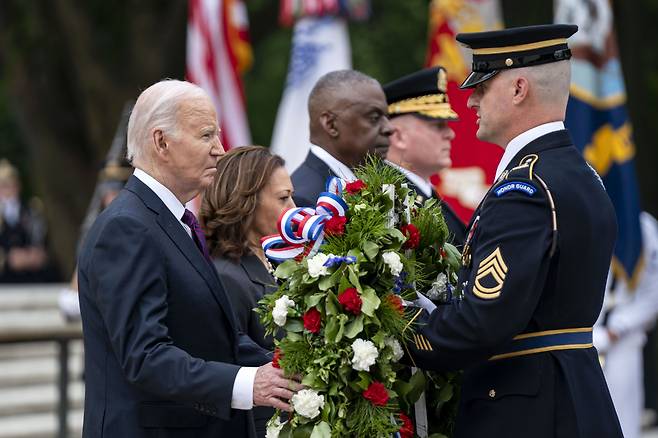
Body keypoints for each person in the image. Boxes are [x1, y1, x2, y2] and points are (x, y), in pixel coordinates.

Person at [405, 24, 623, 437]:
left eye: (482, 88)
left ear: (519, 88)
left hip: (525, 410)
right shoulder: (579, 175)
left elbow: (480, 324)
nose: (470, 101)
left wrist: (396, 325)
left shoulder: (525, 189)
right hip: (572, 392)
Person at [77, 80, 301, 438]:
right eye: (206, 135)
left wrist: (294, 367)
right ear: (161, 142)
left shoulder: (168, 219)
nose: (220, 149)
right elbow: (145, 356)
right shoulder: (127, 226)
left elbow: (212, 337)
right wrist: (248, 383)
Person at [200, 145, 295, 438]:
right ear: (247, 202)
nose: (293, 207)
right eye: (282, 198)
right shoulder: (226, 276)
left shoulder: (277, 262)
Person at [383, 66, 467, 246]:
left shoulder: (421, 195)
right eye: (438, 126)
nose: (450, 134)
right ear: (398, 136)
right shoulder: (388, 204)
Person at [594, 211, 658, 438]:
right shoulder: (583, 214)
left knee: (623, 423)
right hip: (584, 337)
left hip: (623, 339)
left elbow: (654, 294)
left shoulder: (643, 226)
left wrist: (618, 327)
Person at [291, 69, 393, 207]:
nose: (389, 128)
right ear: (331, 124)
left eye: (387, 117)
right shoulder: (304, 202)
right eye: (374, 117)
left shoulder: (375, 186)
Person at [59, 157, 133, 320]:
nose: (110, 197)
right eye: (107, 192)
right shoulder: (98, 229)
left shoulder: (134, 227)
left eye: (116, 190)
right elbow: (75, 293)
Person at [0, 159, 52, 283]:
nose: (8, 191)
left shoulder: (31, 212)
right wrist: (8, 259)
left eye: (12, 185)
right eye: (3, 186)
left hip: (31, 279)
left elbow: (41, 244)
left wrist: (33, 256)